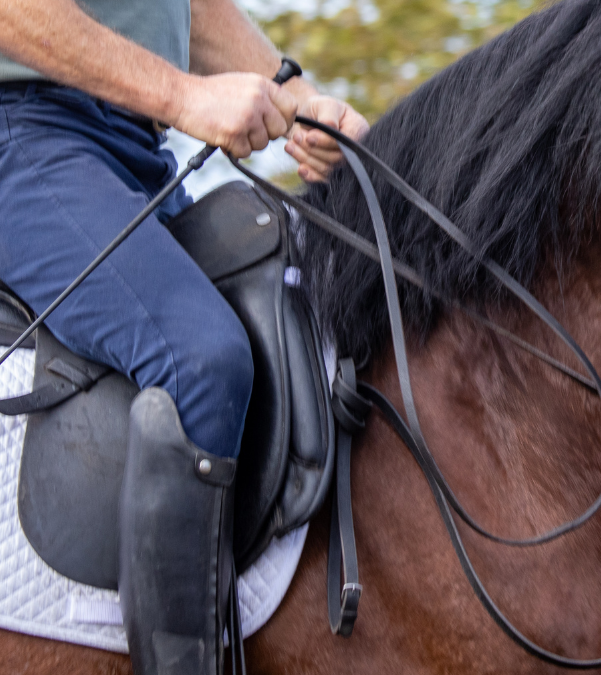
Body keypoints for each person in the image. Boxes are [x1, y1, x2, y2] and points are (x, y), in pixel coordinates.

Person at [0, 1, 367, 673]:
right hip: (22, 135)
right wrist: (184, 95)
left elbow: (185, 9)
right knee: (199, 358)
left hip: (134, 151)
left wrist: (306, 101)